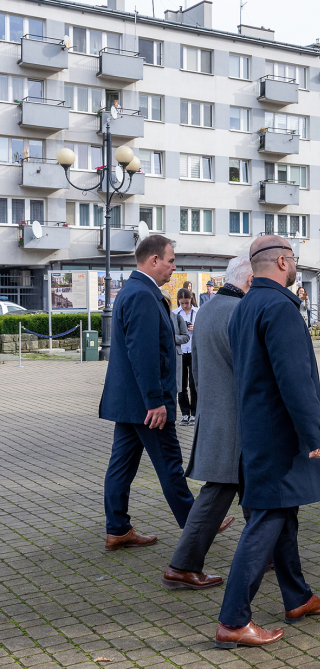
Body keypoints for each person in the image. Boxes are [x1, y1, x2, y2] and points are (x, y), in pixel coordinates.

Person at [215, 235, 320, 649]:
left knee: (283, 516)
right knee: (267, 520)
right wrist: (314, 433)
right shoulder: (280, 307)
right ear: (283, 262)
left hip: (258, 430)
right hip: (279, 436)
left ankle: (298, 598)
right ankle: (233, 620)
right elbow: (294, 378)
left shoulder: (246, 304)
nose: (296, 265)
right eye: (295, 259)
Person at [99, 235, 195, 551]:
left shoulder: (137, 290)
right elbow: (144, 353)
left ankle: (118, 529)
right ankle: (197, 526)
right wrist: (156, 401)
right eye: (170, 260)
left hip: (130, 401)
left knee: (121, 465)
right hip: (146, 403)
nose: (174, 266)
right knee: (170, 462)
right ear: (153, 260)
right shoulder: (142, 294)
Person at [163, 257, 253, 590]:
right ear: (250, 279)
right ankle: (183, 565)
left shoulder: (211, 309)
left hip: (215, 413)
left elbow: (197, 370)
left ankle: (267, 551)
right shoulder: (239, 312)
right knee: (218, 492)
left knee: (252, 488)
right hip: (235, 420)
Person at [173, 290, 199, 425]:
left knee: (194, 383)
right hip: (181, 351)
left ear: (191, 299)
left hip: (194, 351)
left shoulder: (198, 312)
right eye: (182, 303)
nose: (184, 306)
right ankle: (185, 413)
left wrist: (196, 327)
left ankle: (194, 413)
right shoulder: (175, 314)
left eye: (187, 303)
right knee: (181, 384)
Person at [165, 291, 191, 404]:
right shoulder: (153, 316)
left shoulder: (176, 317)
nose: (184, 305)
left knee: (179, 386)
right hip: (161, 356)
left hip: (178, 355)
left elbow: (185, 337)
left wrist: (170, 338)